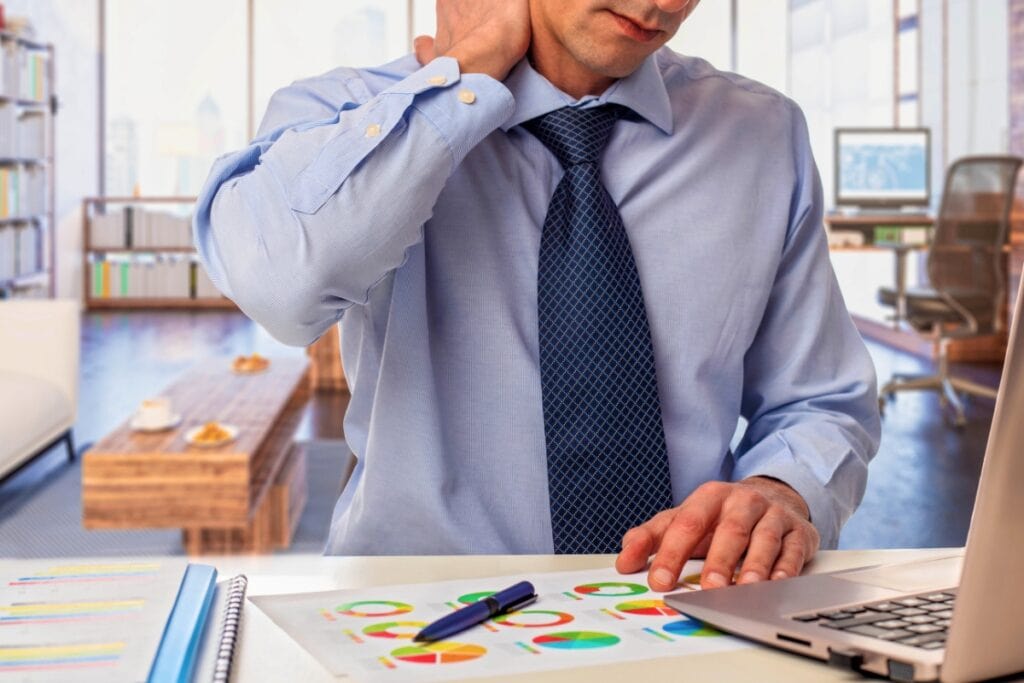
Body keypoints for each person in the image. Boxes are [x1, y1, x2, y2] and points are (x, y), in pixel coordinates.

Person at [193, 0, 880, 592]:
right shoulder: (352, 116)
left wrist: (781, 490)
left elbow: (820, 400)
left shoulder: (762, 135)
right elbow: (278, 285)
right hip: (416, 621)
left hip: (681, 606)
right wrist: (467, 76)